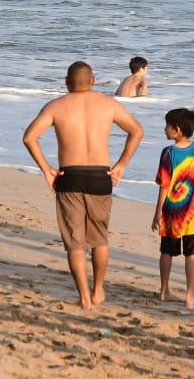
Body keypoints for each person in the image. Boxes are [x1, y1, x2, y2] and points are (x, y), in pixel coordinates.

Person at [21, 61, 144, 309]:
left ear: (66, 82)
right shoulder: (108, 104)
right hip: (101, 176)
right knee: (99, 238)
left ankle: (84, 297)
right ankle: (99, 289)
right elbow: (137, 131)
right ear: (93, 80)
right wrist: (120, 165)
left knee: (75, 242)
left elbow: (29, 137)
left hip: (70, 176)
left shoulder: (56, 106)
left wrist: (46, 169)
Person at [154, 107, 194, 309]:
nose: (165, 129)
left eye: (167, 126)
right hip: (193, 213)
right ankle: (190, 295)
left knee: (167, 252)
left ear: (176, 130)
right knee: (191, 253)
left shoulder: (168, 153)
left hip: (172, 212)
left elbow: (163, 186)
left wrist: (158, 212)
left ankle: (163, 290)